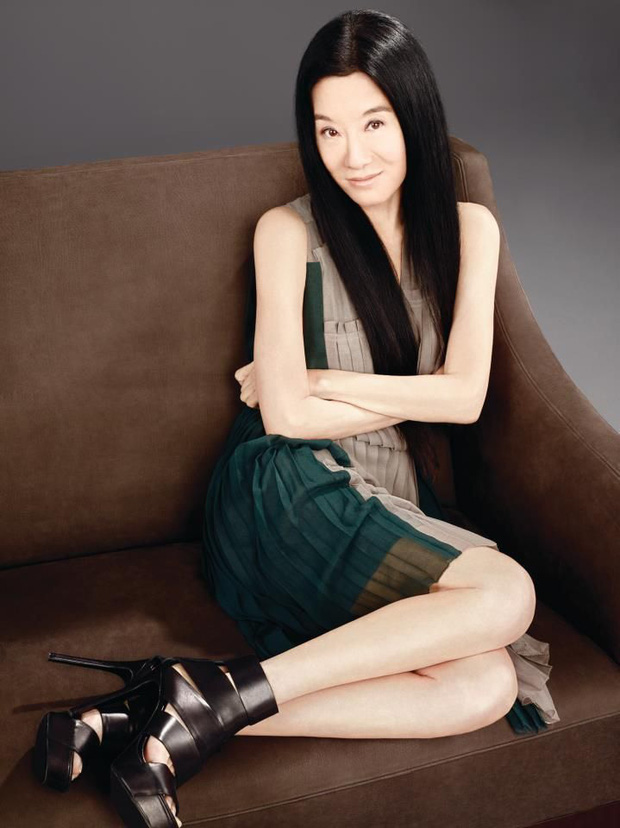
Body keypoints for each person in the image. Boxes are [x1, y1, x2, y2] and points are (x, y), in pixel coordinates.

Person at [33, 10, 559, 827]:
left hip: (383, 494)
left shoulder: (468, 230)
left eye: (375, 123)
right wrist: (321, 394)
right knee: (507, 592)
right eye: (328, 130)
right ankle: (175, 705)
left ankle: (162, 710)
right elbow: (284, 416)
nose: (354, 155)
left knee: (486, 684)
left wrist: (320, 377)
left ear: (414, 115)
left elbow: (466, 398)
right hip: (283, 485)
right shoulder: (286, 231)